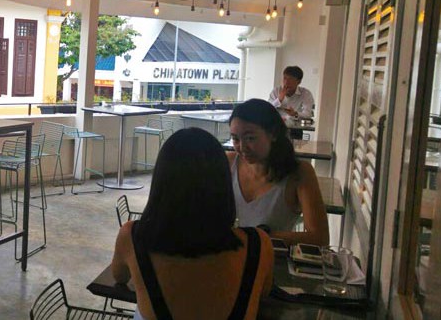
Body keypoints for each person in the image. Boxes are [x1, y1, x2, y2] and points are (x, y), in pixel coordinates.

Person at [111, 128, 274, 320]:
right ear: (222, 183)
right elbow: (263, 291)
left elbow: (119, 276)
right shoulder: (258, 244)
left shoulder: (133, 237)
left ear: (161, 182)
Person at [228, 99, 329, 246]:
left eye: (250, 138)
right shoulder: (229, 162)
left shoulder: (299, 173)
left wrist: (253, 237)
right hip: (234, 255)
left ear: (273, 134)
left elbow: (319, 238)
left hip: (275, 258)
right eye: (235, 139)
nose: (242, 147)